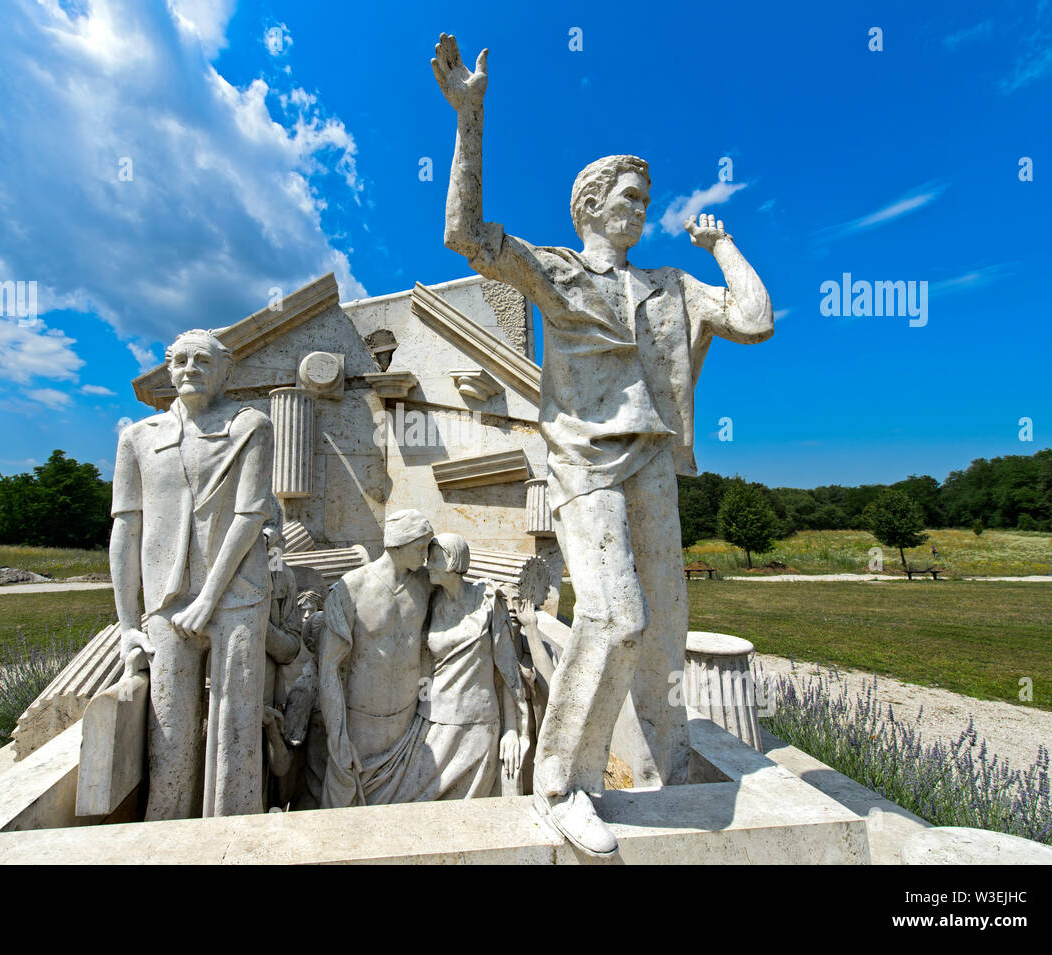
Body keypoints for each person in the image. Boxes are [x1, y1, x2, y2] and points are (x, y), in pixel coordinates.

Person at [432, 34, 774, 855]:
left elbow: (755, 319)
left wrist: (720, 245)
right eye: (627, 194)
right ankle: (561, 781)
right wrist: (470, 120)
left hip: (653, 460)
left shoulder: (670, 287)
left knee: (662, 630)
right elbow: (465, 234)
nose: (640, 207)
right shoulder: (559, 273)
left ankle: (667, 767)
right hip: (586, 460)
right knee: (615, 614)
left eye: (644, 197)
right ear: (588, 207)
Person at [110, 328, 274, 819]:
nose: (188, 369)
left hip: (237, 595)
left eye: (202, 360)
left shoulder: (252, 426)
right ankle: (165, 833)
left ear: (226, 371)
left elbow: (250, 516)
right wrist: (126, 627)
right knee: (168, 733)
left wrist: (208, 599)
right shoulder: (137, 438)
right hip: (165, 601)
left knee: (235, 731)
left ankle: (233, 835)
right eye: (179, 360)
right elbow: (126, 532)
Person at [317, 510, 434, 807]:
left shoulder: (425, 584)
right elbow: (329, 668)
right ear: (398, 544)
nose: (426, 555)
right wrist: (338, 738)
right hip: (360, 730)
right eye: (420, 547)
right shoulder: (351, 588)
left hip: (409, 727)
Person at [399, 533, 528, 801]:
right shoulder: (431, 602)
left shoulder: (489, 601)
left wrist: (511, 729)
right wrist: (416, 708)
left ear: (453, 561)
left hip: (478, 721)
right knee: (414, 797)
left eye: (435, 559)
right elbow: (422, 663)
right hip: (434, 717)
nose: (428, 565)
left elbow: (506, 672)